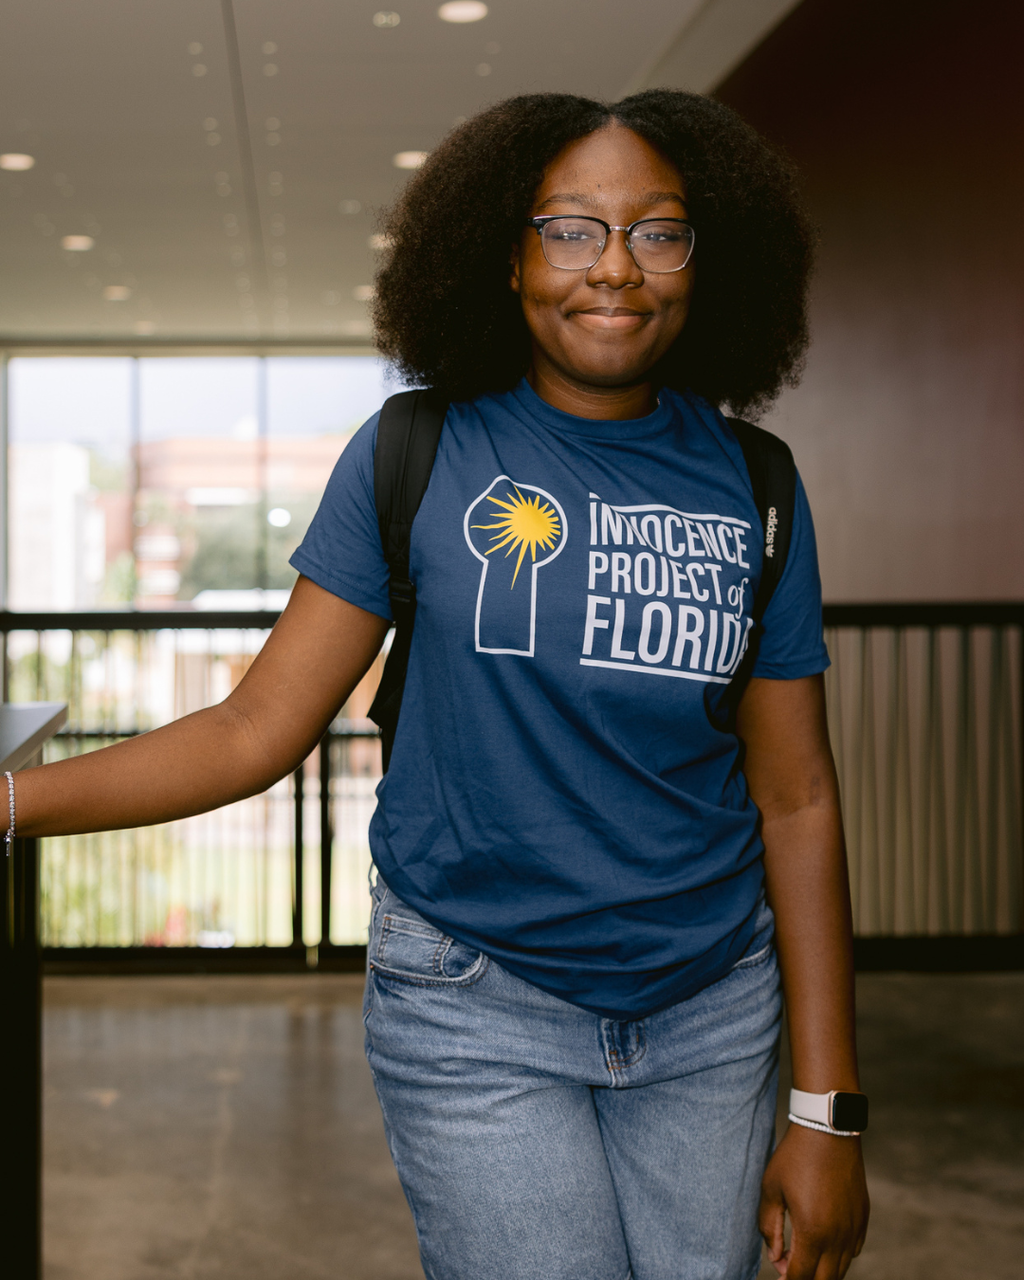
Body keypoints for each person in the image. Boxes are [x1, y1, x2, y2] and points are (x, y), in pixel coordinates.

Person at [8, 91, 869, 1280]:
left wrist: (826, 1110)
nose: (613, 267)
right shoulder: (417, 450)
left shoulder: (756, 483)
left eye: (657, 231)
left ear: (702, 260)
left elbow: (797, 798)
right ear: (506, 256)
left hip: (713, 1012)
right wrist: (11, 801)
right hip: (475, 1000)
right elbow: (256, 722)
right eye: (570, 228)